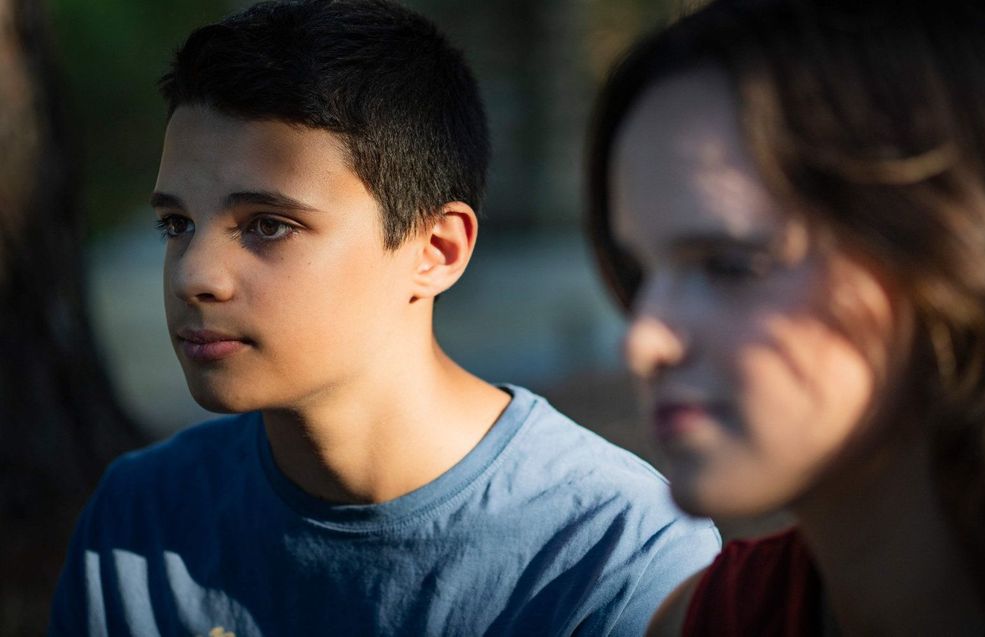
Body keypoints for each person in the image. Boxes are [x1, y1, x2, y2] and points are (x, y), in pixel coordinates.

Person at [48, 1, 720, 635]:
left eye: (269, 226)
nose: (196, 274)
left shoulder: (619, 558)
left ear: (436, 249)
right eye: (176, 223)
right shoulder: (140, 524)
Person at [586, 0, 985, 634]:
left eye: (730, 265)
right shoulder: (706, 619)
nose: (643, 341)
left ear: (950, 248)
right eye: (640, 272)